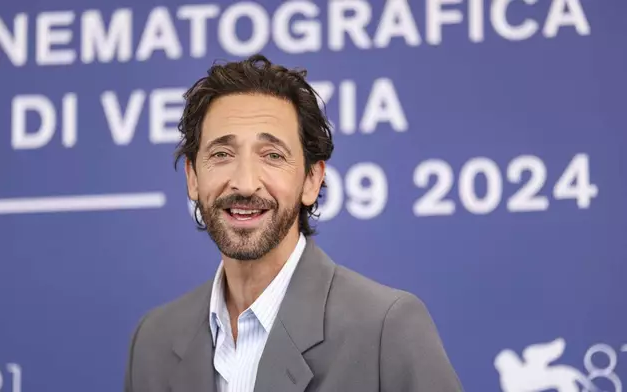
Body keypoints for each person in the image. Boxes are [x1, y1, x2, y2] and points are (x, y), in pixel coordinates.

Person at [123, 54, 463, 392]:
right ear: (193, 177)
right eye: (221, 154)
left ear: (312, 181)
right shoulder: (153, 341)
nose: (244, 182)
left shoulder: (386, 329)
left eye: (272, 156)